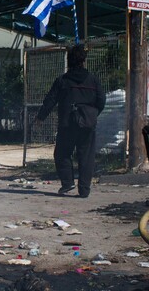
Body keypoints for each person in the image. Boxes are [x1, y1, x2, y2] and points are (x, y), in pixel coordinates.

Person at [34, 45, 106, 198]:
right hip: (87, 123)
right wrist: (92, 114)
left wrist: (40, 117)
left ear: (69, 61)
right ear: (84, 61)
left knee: (62, 154)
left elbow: (50, 100)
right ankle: (84, 190)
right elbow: (101, 100)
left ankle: (67, 182)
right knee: (86, 157)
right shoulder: (93, 80)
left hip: (67, 123)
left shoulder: (62, 81)